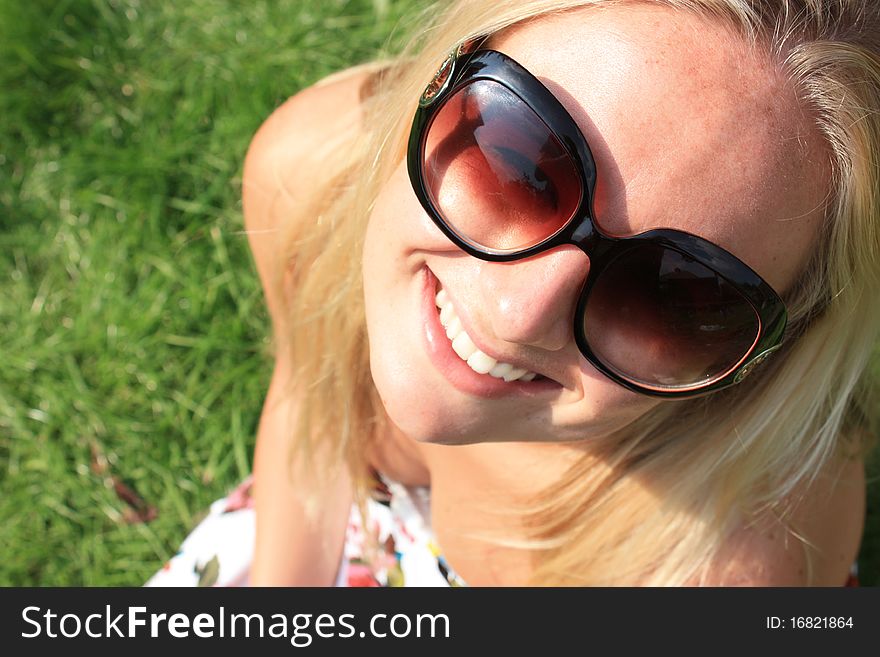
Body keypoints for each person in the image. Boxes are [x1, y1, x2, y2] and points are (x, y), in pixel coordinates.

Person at [147, 0, 879, 587]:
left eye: (674, 296)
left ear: (765, 359)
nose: (517, 315)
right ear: (444, 73)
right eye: (519, 161)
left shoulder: (726, 562)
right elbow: (309, 402)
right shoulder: (311, 173)